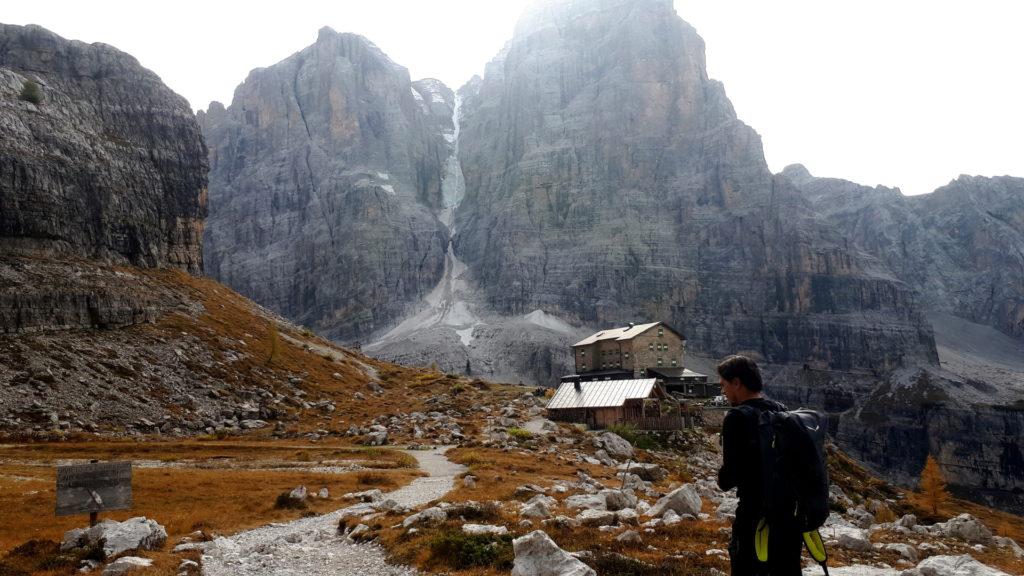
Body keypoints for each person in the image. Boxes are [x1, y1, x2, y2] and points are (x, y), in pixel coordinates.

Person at [716, 355, 802, 576]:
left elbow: (729, 478)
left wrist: (721, 475)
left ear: (736, 383)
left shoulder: (736, 417)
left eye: (724, 385)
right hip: (788, 517)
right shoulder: (780, 409)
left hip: (754, 516)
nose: (722, 391)